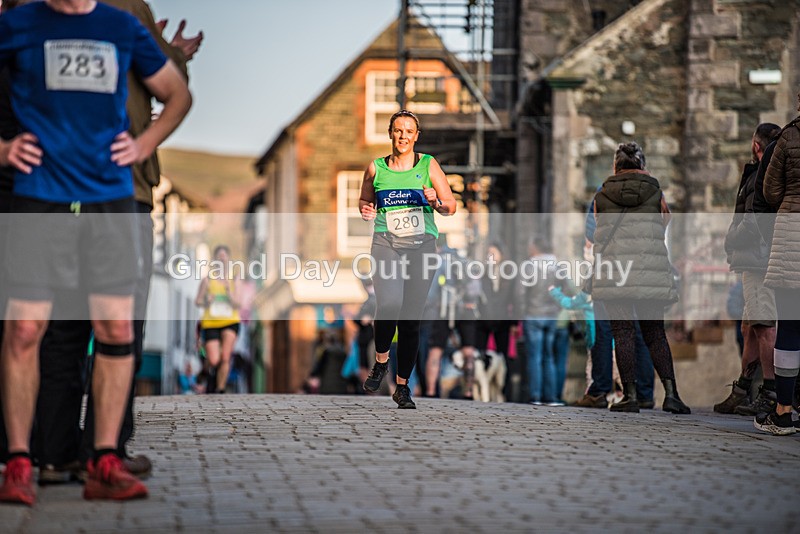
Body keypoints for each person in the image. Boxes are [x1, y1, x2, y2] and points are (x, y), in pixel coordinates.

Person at [0, 0, 191, 505]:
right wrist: (1, 149)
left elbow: (176, 94)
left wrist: (145, 144)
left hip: (110, 198)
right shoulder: (18, 23)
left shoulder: (121, 25)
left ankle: (104, 462)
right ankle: (18, 464)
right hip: (40, 194)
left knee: (116, 329)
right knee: (24, 329)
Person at [359, 109, 456, 409]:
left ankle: (402, 387)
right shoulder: (376, 168)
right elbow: (365, 200)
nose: (403, 136)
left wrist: (435, 201)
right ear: (390, 133)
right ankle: (381, 362)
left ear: (416, 136)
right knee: (388, 303)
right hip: (386, 242)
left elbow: (450, 206)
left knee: (411, 318)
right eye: (398, 130)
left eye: (408, 131)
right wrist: (365, 210)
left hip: (422, 246)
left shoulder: (428, 165)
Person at [591, 142, 690, 414]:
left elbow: (598, 227)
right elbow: (665, 221)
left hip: (616, 272)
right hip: (650, 269)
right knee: (655, 333)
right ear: (642, 165)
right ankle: (672, 395)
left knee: (622, 332)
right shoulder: (655, 191)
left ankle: (630, 396)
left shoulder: (602, 195)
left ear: (616, 165)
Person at [716, 123, 781, 415]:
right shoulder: (764, 173)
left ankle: (770, 390)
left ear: (757, 145)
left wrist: (731, 238)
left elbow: (755, 221)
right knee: (750, 326)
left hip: (759, 260)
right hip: (756, 259)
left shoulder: (763, 176)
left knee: (763, 326)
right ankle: (743, 389)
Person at [758, 100, 800, 435]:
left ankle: (783, 410)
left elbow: (770, 192)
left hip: (792, 237)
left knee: (788, 326)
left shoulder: (788, 138)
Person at [196, 245, 241, 394]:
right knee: (215, 359)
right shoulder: (208, 280)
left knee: (226, 357)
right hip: (211, 322)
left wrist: (229, 292)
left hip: (230, 321)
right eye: (219, 256)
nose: (222, 259)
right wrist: (206, 300)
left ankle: (220, 389)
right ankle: (207, 369)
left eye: (224, 256)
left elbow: (238, 303)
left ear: (228, 259)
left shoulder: (234, 279)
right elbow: (198, 301)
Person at [476, 241, 515, 399]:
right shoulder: (482, 275)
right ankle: (482, 391)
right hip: (484, 320)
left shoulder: (509, 274)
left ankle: (505, 392)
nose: (490, 257)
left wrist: (513, 322)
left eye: (493, 253)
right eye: (488, 254)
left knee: (504, 357)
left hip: (503, 321)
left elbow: (514, 299)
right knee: (482, 356)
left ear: (501, 255)